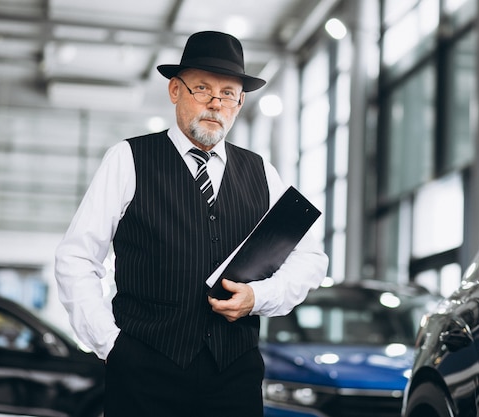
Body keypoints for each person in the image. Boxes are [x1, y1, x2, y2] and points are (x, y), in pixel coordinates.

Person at [54, 30, 328, 417]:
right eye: (202, 88)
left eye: (228, 93)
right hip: (144, 372)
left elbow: (310, 257)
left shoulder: (261, 171)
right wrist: (110, 344)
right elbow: (77, 258)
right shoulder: (128, 158)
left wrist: (259, 298)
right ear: (175, 91)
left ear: (240, 102)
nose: (216, 104)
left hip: (234, 374)